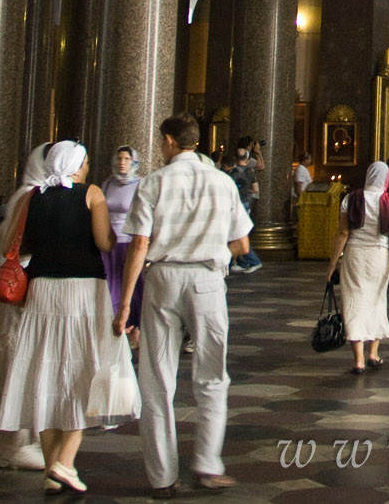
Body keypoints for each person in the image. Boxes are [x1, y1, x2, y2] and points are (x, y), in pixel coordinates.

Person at [115, 115, 253, 497]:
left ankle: (162, 477)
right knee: (212, 376)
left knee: (157, 380)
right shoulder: (223, 182)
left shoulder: (155, 182)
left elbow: (139, 245)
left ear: (169, 141)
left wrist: (125, 304)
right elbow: (242, 245)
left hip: (162, 278)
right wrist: (209, 251)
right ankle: (208, 465)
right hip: (208, 281)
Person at [0, 140, 139, 495]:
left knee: (45, 374)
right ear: (76, 165)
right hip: (83, 293)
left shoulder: (33, 197)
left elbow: (10, 247)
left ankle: (50, 471)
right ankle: (65, 462)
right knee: (87, 372)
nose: (88, 167)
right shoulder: (91, 194)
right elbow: (105, 242)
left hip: (42, 291)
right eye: (86, 162)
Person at [0, 141, 51, 474]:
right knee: (10, 364)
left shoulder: (30, 195)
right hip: (15, 299)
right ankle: (3, 446)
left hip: (14, 297)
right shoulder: (31, 197)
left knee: (10, 364)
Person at [327, 161, 389, 374]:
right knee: (376, 301)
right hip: (379, 256)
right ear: (386, 179)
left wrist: (333, 263)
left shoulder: (350, 199)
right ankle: (373, 353)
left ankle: (358, 359)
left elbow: (343, 233)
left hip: (354, 255)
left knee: (353, 302)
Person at [101, 147, 145, 326]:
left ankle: (133, 324)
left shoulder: (140, 184)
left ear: (133, 162)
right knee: (110, 283)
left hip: (128, 241)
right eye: (119, 158)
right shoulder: (108, 184)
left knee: (128, 284)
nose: (122, 162)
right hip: (110, 241)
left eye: (127, 159)